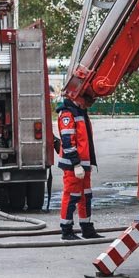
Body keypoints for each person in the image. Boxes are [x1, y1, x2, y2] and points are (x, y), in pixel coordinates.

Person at [56, 97, 101, 240]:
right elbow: (68, 141)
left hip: (83, 164)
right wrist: (76, 164)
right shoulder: (68, 114)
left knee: (85, 196)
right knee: (71, 196)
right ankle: (66, 230)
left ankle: (86, 228)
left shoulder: (79, 111)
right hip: (73, 165)